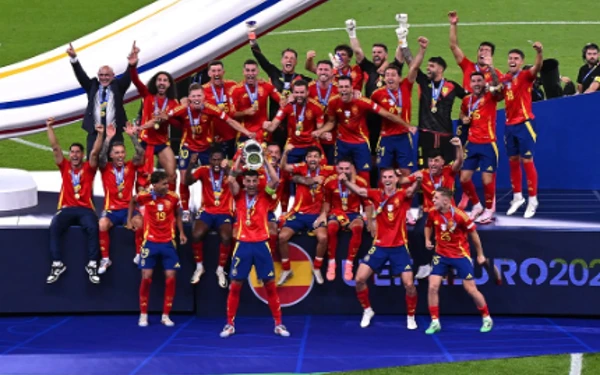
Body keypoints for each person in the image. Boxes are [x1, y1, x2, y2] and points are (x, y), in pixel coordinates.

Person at [342, 168, 421, 329]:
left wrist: (418, 180)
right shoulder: (376, 194)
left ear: (396, 179)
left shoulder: (402, 195)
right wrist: (345, 181)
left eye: (390, 177)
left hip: (399, 247)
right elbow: (359, 190)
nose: (387, 179)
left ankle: (411, 317)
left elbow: (413, 189)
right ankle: (368, 310)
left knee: (409, 285)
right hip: (379, 246)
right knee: (359, 279)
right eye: (384, 177)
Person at [219, 157, 290, 338]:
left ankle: (279, 324)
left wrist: (264, 161)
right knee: (235, 286)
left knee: (270, 287)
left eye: (253, 181)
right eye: (248, 181)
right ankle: (229, 324)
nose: (251, 184)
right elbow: (231, 179)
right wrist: (238, 162)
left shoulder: (265, 194)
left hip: (261, 244)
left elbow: (275, 180)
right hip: (242, 245)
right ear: (244, 182)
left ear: (258, 181)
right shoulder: (239, 194)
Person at [167, 83, 252, 221]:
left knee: (217, 176)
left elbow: (229, 120)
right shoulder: (183, 109)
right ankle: (186, 210)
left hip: (206, 148)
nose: (196, 98)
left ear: (204, 96)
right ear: (189, 97)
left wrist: (247, 132)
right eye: (193, 96)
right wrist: (143, 126)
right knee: (184, 179)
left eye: (199, 95)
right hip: (188, 146)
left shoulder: (210, 108)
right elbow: (166, 115)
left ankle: (219, 205)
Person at [424, 187, 493, 334]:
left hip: (460, 255)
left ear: (446, 200)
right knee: (432, 287)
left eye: (436, 198)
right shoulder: (432, 212)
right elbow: (428, 226)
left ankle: (487, 318)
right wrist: (427, 239)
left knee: (471, 289)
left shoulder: (460, 216)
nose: (433, 200)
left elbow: (473, 234)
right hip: (440, 255)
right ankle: (435, 321)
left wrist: (480, 254)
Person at [320, 76, 414, 183]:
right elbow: (331, 122)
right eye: (341, 87)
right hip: (342, 143)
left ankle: (365, 199)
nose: (343, 89)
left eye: (346, 86)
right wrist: (320, 132)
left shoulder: (363, 102)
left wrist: (406, 125)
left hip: (360, 143)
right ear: (338, 89)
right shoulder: (333, 102)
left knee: (364, 176)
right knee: (340, 174)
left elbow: (387, 114)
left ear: (352, 88)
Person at [45, 117, 103, 284]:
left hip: (85, 209)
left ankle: (92, 264)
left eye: (78, 152)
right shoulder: (64, 166)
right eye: (72, 152)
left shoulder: (89, 168)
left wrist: (100, 135)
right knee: (54, 226)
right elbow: (55, 148)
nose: (75, 155)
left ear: (82, 155)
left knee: (93, 227)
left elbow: (95, 153)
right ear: (69, 154)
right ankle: (57, 264)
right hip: (67, 208)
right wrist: (49, 127)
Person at [128, 171, 187, 327]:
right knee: (146, 277)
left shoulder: (173, 197)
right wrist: (130, 220)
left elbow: (178, 214)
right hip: (150, 242)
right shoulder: (143, 196)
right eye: (164, 184)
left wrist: (181, 232)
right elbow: (132, 201)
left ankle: (166, 315)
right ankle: (143, 314)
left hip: (168, 242)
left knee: (170, 278)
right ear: (154, 185)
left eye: (167, 183)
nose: (167, 186)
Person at [278, 145, 335, 285]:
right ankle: (286, 269)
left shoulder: (327, 170)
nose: (313, 159)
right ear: (306, 159)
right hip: (298, 214)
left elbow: (344, 170)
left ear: (321, 159)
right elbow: (283, 166)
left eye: (315, 156)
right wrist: (285, 152)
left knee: (323, 237)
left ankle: (316, 268)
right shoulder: (301, 168)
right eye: (310, 157)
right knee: (282, 237)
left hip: (316, 215)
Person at [66, 42, 134, 158]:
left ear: (113, 75)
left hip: (114, 134)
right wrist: (74, 59)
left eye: (107, 75)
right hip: (95, 133)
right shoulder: (92, 86)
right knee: (93, 164)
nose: (104, 78)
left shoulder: (118, 87)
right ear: (98, 75)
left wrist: (132, 65)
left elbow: (128, 78)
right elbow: (81, 76)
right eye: (101, 75)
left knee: (115, 164)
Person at [371, 38, 427, 177]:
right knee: (384, 173)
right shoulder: (377, 94)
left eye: (393, 75)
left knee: (406, 172)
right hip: (386, 137)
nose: (389, 77)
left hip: (403, 137)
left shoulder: (406, 86)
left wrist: (422, 49)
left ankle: (402, 198)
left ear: (399, 77)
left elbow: (414, 67)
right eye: (387, 75)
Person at [248, 27, 312, 149]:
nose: (289, 60)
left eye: (292, 58)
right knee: (274, 151)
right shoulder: (274, 73)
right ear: (282, 61)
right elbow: (260, 58)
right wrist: (252, 39)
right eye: (286, 58)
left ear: (296, 62)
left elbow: (319, 84)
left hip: (293, 124)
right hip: (274, 123)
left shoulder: (302, 79)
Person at [129, 46, 180, 191]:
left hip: (162, 143)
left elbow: (178, 125)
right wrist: (133, 66)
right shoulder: (147, 96)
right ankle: (141, 203)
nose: (162, 82)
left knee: (172, 175)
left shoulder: (172, 103)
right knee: (142, 175)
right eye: (159, 80)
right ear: (155, 83)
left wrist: (168, 118)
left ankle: (170, 203)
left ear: (169, 84)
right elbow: (136, 81)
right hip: (145, 142)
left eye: (165, 80)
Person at [97, 123, 145, 274]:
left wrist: (132, 136)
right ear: (111, 155)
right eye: (116, 153)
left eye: (122, 153)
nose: (120, 156)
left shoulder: (130, 166)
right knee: (102, 224)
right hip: (111, 210)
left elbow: (140, 154)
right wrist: (108, 139)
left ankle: (139, 254)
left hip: (127, 210)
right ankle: (105, 259)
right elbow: (99, 157)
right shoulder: (106, 168)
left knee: (140, 222)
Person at [503, 43, 543, 218]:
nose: (512, 61)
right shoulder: (505, 79)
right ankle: (518, 197)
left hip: (525, 124)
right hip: (509, 125)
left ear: (521, 62)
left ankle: (533, 199)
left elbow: (537, 67)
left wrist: (539, 53)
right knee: (513, 160)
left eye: (516, 59)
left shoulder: (526, 75)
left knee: (527, 161)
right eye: (510, 58)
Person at [318, 158, 373, 281]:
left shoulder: (360, 182)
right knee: (331, 228)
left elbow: (367, 204)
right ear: (336, 168)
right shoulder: (329, 182)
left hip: (353, 214)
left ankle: (349, 263)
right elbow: (327, 203)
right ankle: (332, 263)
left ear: (352, 168)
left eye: (347, 168)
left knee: (358, 227)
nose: (344, 171)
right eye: (341, 168)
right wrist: (323, 214)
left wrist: (369, 220)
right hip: (336, 213)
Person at [459, 72, 502, 224]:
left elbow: (498, 89)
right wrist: (463, 118)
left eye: (479, 80)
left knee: (486, 179)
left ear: (484, 82)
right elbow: (462, 112)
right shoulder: (466, 100)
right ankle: (477, 205)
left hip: (488, 144)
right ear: (470, 84)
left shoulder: (491, 97)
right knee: (464, 178)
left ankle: (489, 209)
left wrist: (491, 69)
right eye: (473, 81)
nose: (476, 83)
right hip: (471, 143)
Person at [186, 149, 233, 288]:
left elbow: (237, 183)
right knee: (196, 234)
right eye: (214, 159)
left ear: (224, 160)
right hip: (207, 211)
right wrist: (190, 165)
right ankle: (199, 267)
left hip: (225, 212)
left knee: (226, 237)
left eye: (219, 159)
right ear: (210, 160)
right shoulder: (203, 170)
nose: (217, 163)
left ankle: (220, 269)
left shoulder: (229, 170)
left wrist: (228, 169)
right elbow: (188, 182)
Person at [415, 55, 466, 167]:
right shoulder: (424, 82)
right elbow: (412, 65)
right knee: (424, 168)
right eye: (428, 65)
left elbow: (469, 98)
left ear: (440, 69)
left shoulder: (452, 86)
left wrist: (464, 114)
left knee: (447, 167)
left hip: (445, 134)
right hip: (426, 133)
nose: (428, 68)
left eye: (432, 66)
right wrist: (403, 43)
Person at [263, 80, 327, 163]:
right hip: (292, 144)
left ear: (307, 92)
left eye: (302, 92)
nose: (299, 95)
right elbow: (272, 127)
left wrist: (323, 134)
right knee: (283, 168)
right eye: (296, 92)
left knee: (323, 164)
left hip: (311, 144)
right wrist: (266, 125)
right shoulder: (287, 106)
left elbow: (319, 130)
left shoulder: (316, 107)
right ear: (293, 93)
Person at [230, 59, 283, 144]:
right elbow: (231, 115)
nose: (250, 73)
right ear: (243, 72)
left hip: (264, 133)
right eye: (248, 70)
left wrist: (273, 122)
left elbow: (283, 103)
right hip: (245, 134)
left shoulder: (266, 86)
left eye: (253, 70)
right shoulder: (236, 90)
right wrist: (245, 112)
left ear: (257, 71)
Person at [202, 61, 240, 159]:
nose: (217, 73)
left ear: (223, 72)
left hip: (234, 135)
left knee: (233, 164)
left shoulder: (232, 85)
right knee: (216, 165)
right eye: (213, 71)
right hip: (215, 138)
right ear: (209, 73)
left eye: (219, 70)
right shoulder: (203, 91)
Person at [307, 60, 340, 165]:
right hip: (313, 136)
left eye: (326, 70)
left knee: (331, 166)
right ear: (316, 71)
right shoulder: (308, 88)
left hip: (333, 136)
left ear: (332, 72)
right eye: (320, 69)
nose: (323, 72)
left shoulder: (339, 89)